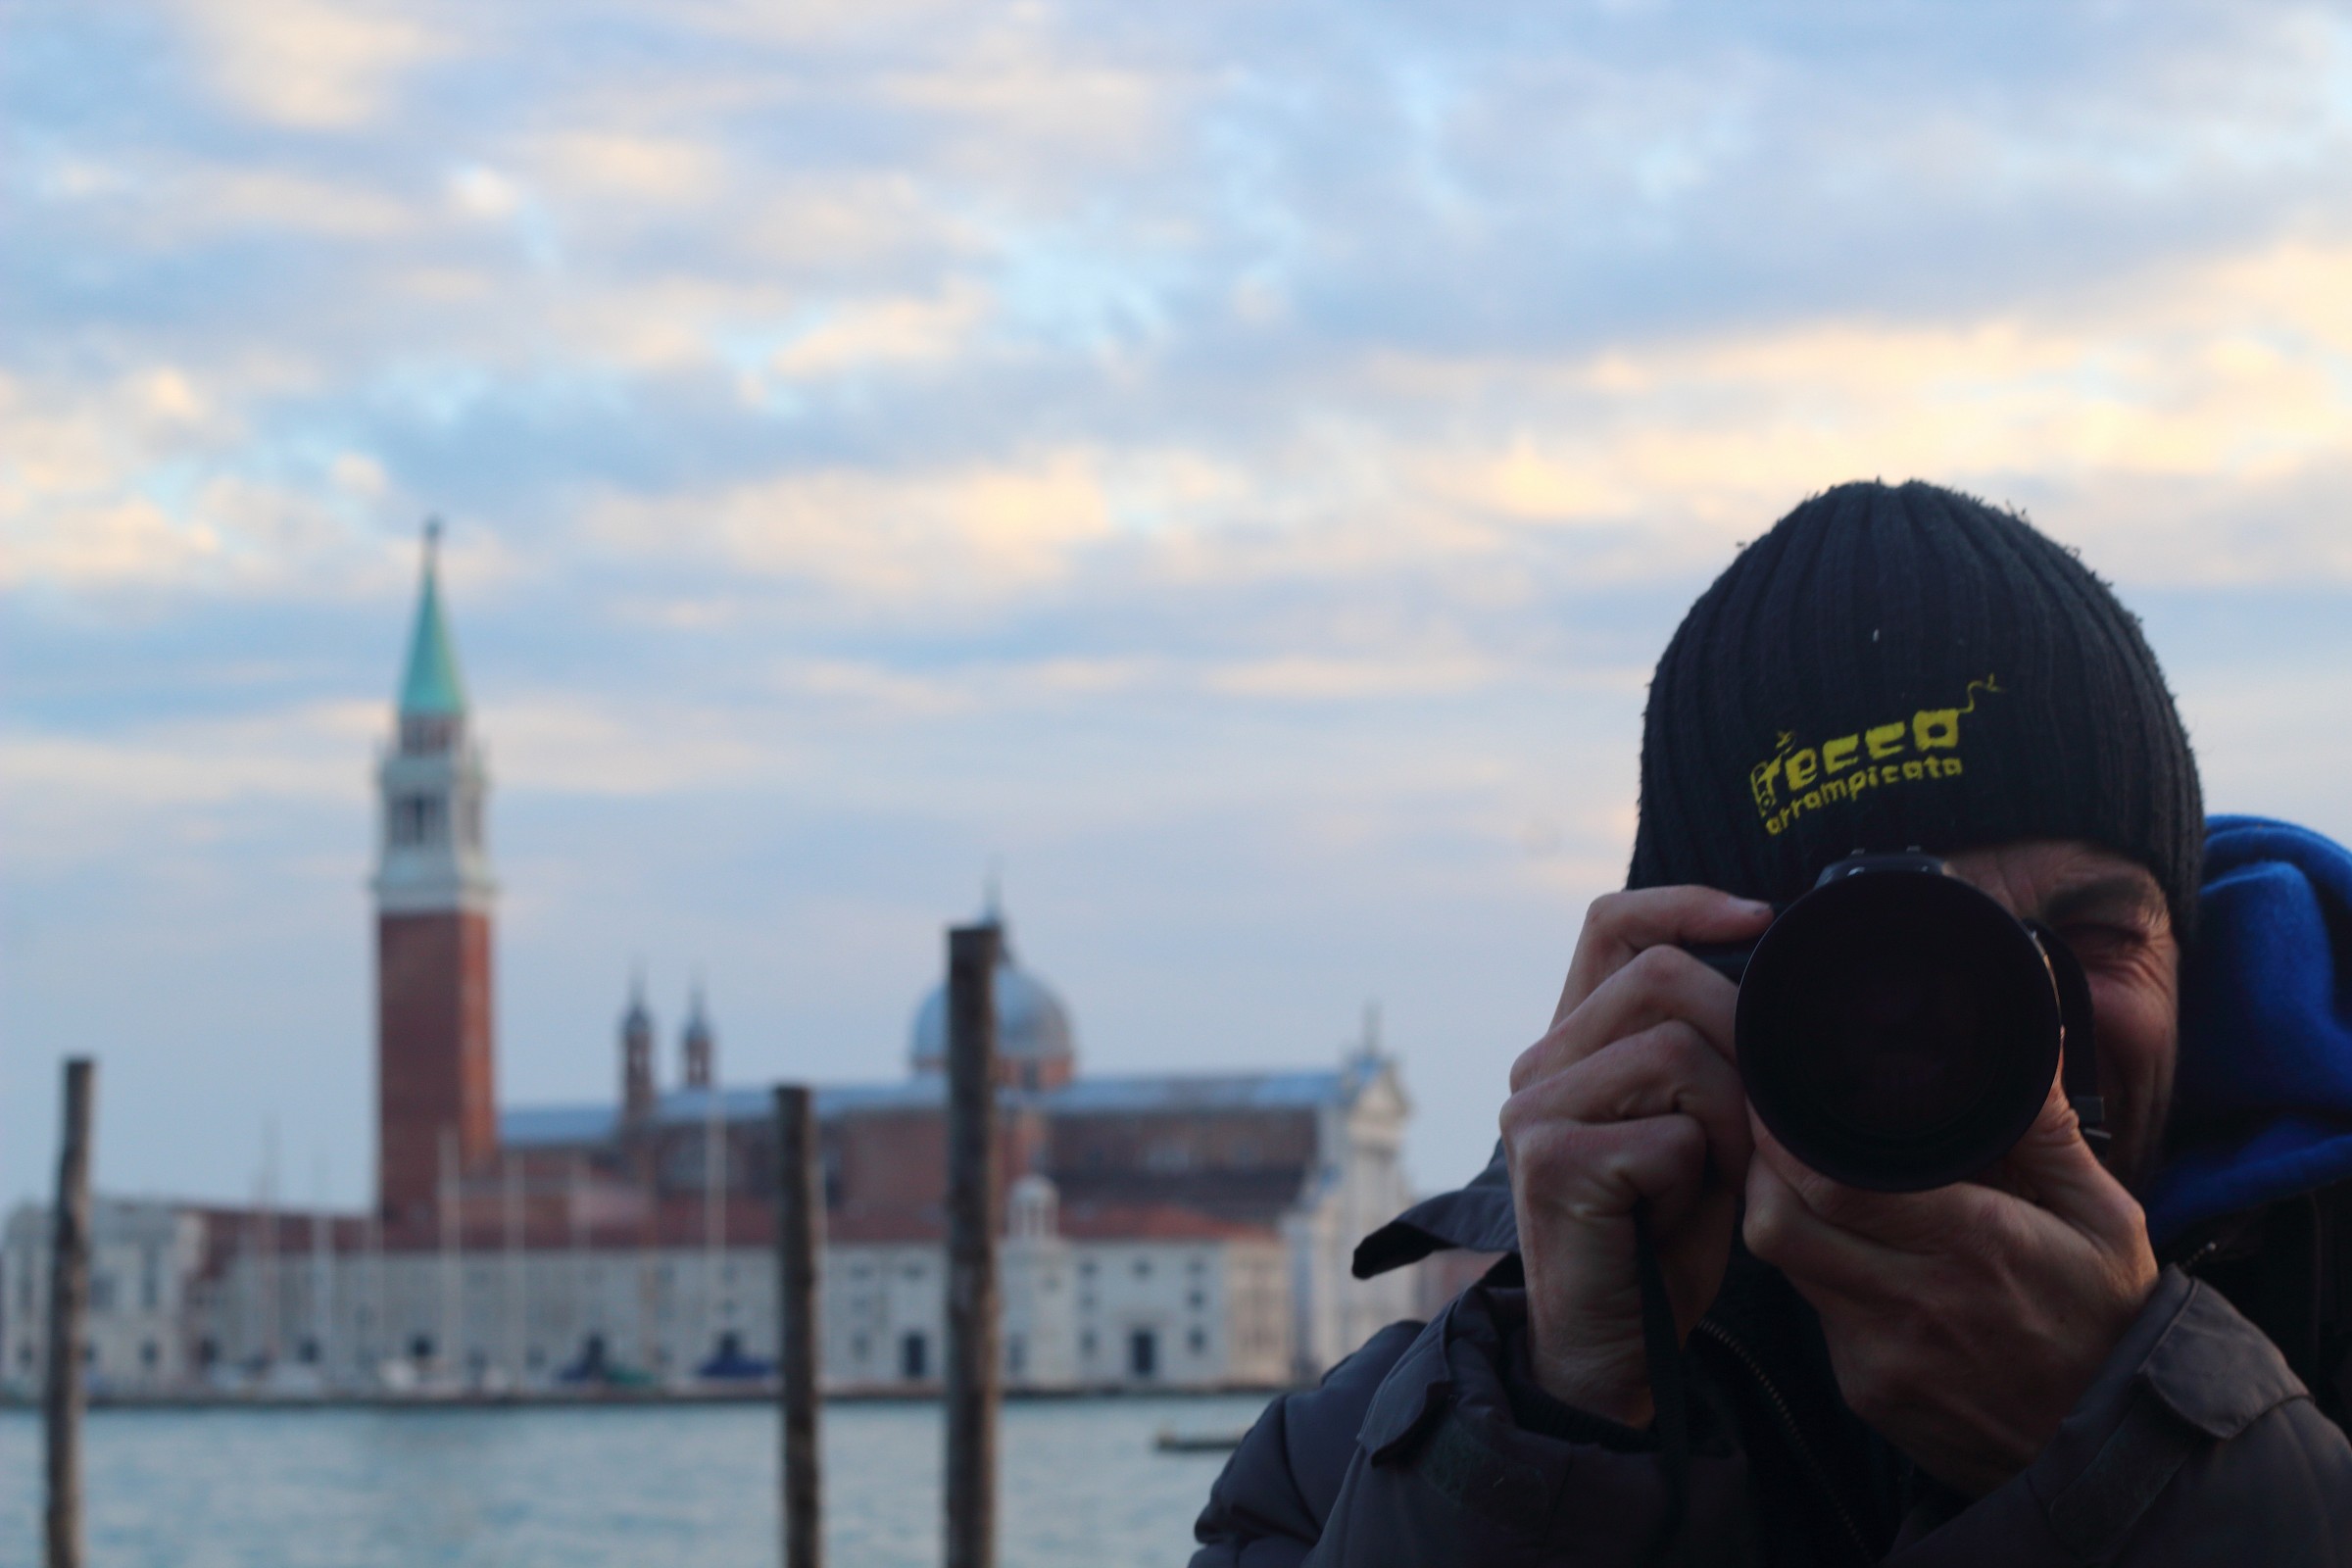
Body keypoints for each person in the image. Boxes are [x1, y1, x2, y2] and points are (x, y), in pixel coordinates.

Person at [1191, 481, 2352, 1565]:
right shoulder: (1352, 1471)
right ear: (1689, 989)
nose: (2020, 1030)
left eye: (2093, 938)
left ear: (2194, 964)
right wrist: (1555, 1425)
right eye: (1894, 961)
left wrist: (2138, 1447)